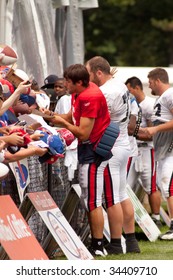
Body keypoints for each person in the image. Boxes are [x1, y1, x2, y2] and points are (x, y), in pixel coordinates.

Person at [40, 63, 121, 257]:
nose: (65, 84)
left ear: (79, 82)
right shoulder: (81, 92)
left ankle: (98, 245)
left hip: (93, 149)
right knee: (89, 197)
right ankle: (98, 241)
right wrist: (51, 116)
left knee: (93, 199)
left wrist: (63, 123)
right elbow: (71, 116)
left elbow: (83, 133)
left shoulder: (90, 96)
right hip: (90, 148)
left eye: (68, 81)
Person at [85, 56, 140, 254]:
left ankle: (116, 242)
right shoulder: (119, 85)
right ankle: (131, 241)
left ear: (98, 72)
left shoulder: (107, 91)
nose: (87, 77)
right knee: (121, 194)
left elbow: (97, 120)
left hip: (112, 145)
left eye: (89, 72)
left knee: (112, 198)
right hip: (123, 142)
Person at [140, 67, 173, 239]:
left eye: (151, 82)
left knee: (168, 186)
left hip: (170, 150)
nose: (150, 86)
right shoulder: (162, 98)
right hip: (162, 150)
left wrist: (156, 129)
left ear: (158, 81)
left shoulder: (169, 95)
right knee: (165, 187)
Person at [125, 76, 162, 227]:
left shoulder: (149, 105)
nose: (127, 93)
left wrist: (134, 133)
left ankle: (156, 217)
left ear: (136, 88)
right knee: (127, 185)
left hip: (147, 149)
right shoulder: (130, 104)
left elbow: (151, 132)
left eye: (129, 90)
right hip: (134, 149)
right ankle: (128, 220)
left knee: (150, 184)